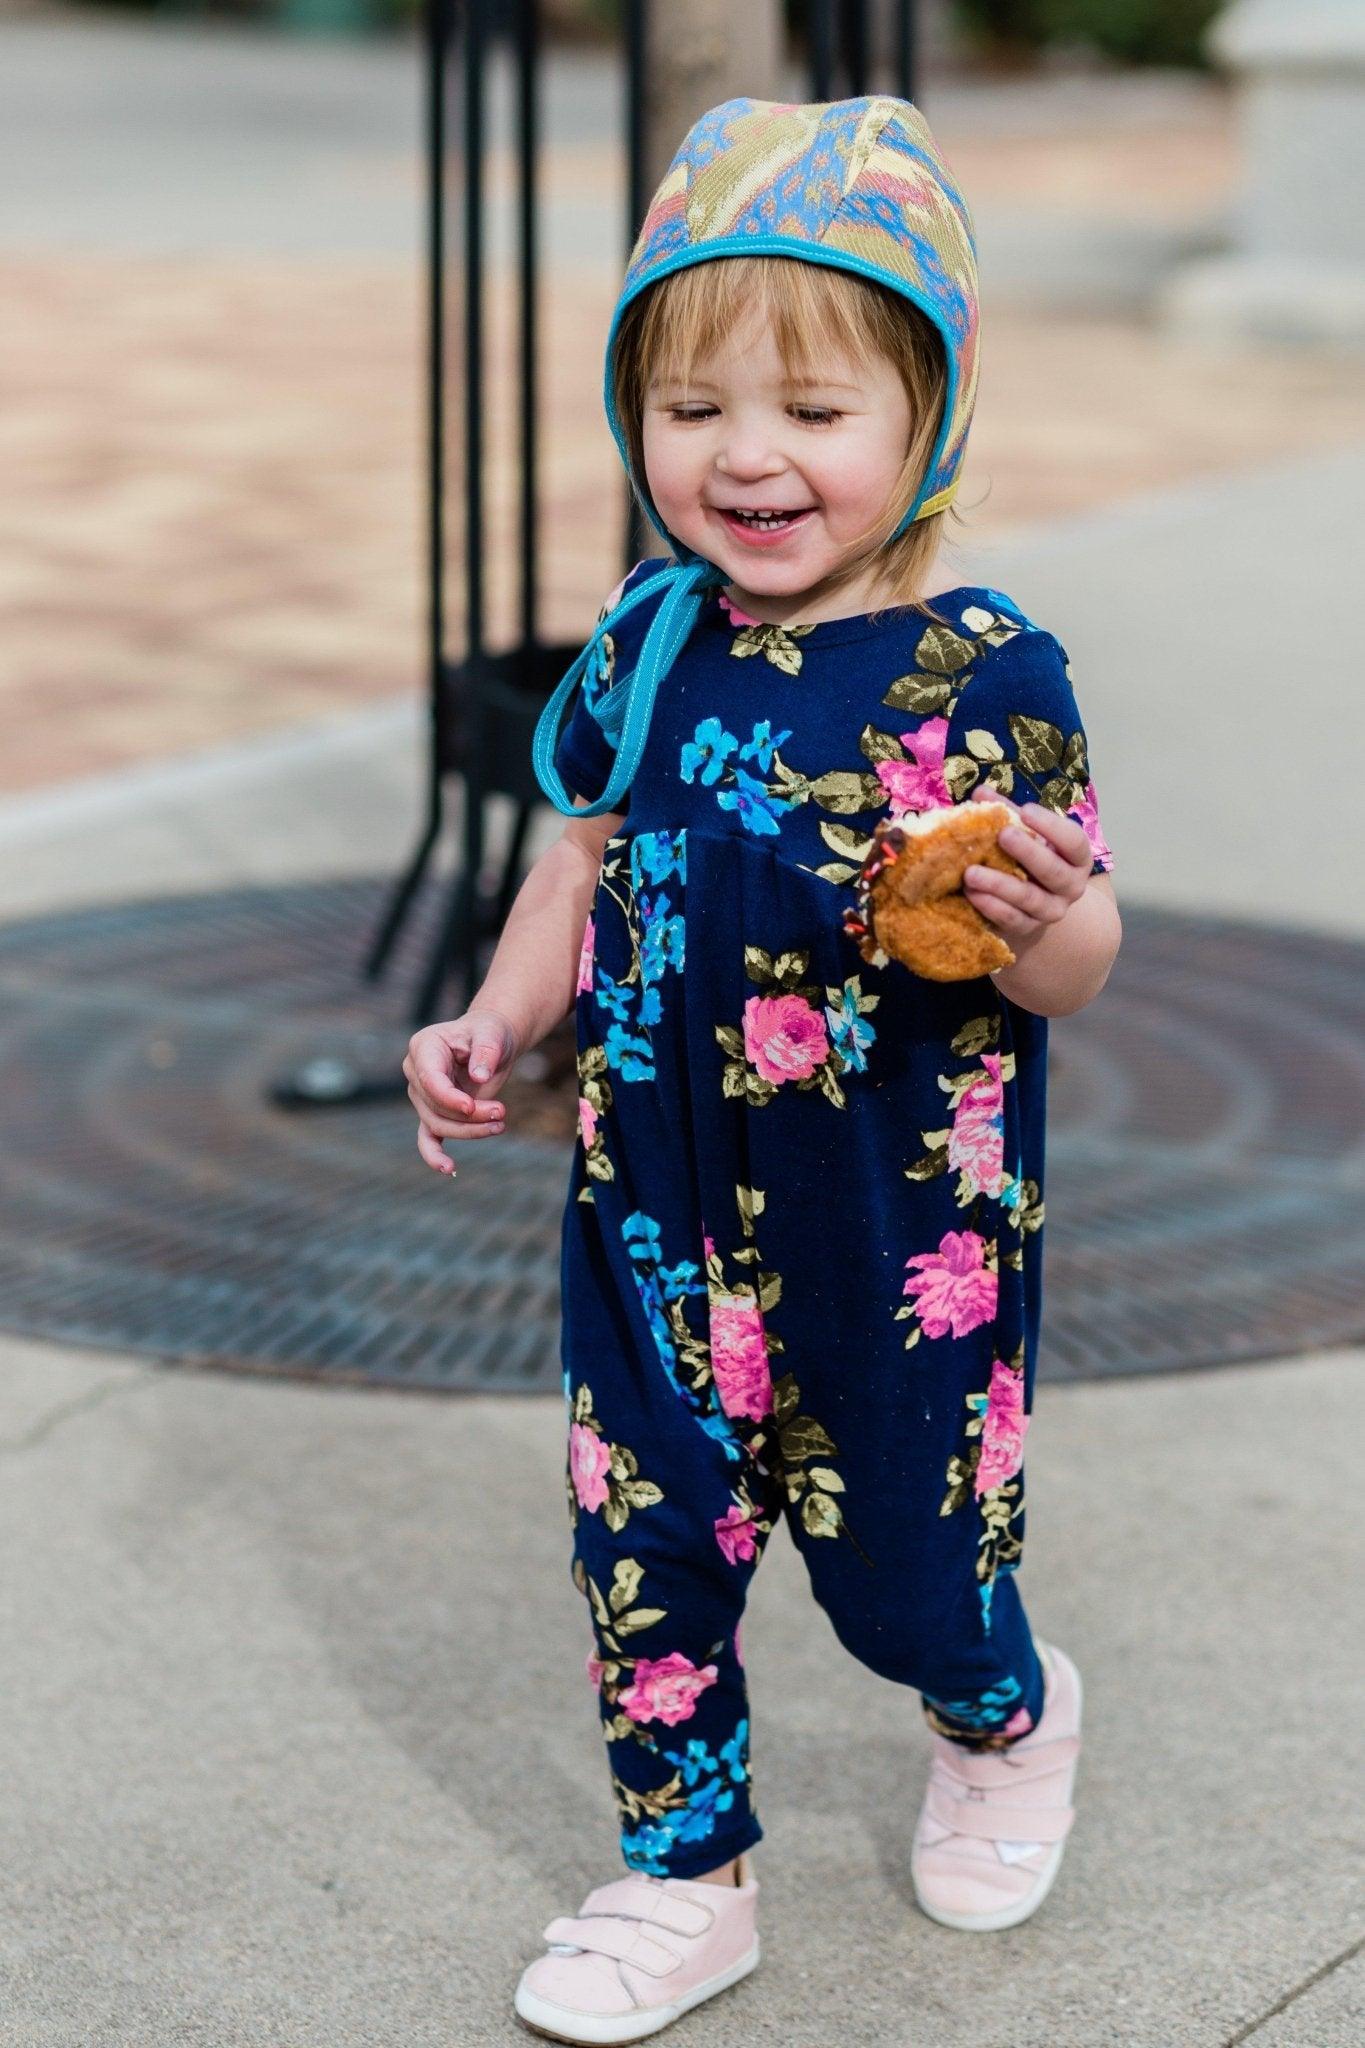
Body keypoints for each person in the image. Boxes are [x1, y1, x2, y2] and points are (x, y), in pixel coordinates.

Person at [405, 94, 1121, 2045]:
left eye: (811, 410)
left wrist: (1044, 907)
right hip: (647, 1223)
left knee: (910, 1570)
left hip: (888, 1238)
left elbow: (1069, 960)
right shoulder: (643, 642)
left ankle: (1001, 1714)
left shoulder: (981, 676)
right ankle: (682, 1874)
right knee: (642, 1545)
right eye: (692, 403)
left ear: (925, 421)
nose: (744, 456)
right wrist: (495, 1016)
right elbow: (576, 854)